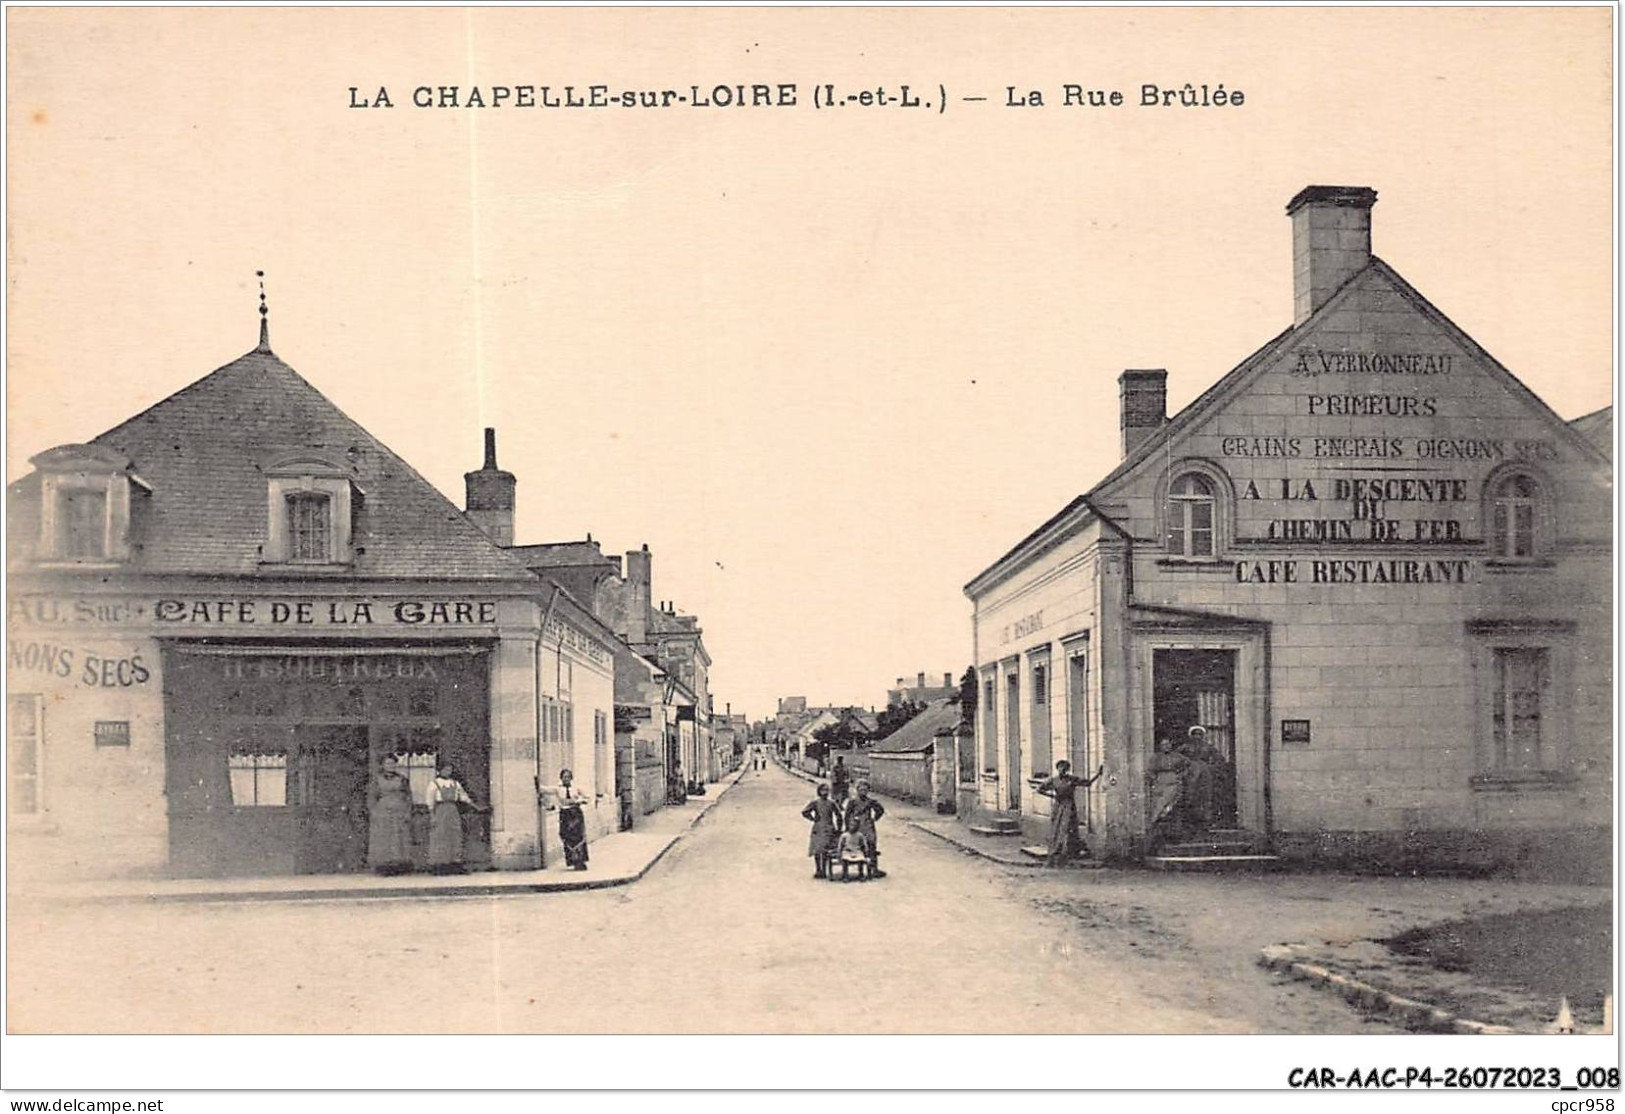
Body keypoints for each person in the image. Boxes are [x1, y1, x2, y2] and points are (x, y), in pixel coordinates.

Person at [1034, 759, 1106, 866]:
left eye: (1065, 767)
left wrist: (1098, 774)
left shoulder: (1072, 779)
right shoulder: (1053, 780)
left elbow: (1088, 783)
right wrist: (1053, 796)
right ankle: (1055, 852)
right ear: (1057, 768)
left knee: (1069, 828)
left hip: (1069, 806)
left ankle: (1070, 852)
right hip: (1058, 806)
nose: (1062, 769)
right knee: (1056, 829)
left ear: (1068, 769)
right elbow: (1039, 789)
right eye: (1060, 767)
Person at [425, 761, 482, 874]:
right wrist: (432, 815)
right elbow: (430, 800)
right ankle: (440, 865)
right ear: (439, 770)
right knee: (441, 837)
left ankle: (455, 863)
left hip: (453, 811)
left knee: (455, 836)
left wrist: (476, 806)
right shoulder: (434, 783)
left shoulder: (455, 783)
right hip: (440, 811)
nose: (448, 772)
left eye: (450, 770)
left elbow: (463, 796)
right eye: (445, 769)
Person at [367, 754, 414, 874]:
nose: (390, 766)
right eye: (388, 763)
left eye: (393, 763)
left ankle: (398, 866)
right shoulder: (376, 779)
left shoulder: (402, 779)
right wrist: (374, 812)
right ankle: (383, 867)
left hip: (399, 811)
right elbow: (372, 797)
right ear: (383, 765)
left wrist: (407, 812)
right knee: (383, 839)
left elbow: (408, 796)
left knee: (398, 838)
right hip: (382, 811)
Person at [543, 768, 591, 870]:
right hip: (565, 814)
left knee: (578, 836)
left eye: (568, 777)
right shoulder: (558, 789)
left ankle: (580, 861)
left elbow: (587, 797)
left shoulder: (576, 788)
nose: (566, 779)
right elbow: (544, 790)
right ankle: (572, 860)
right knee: (565, 835)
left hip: (576, 814)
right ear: (561, 778)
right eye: (564, 777)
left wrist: (579, 801)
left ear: (571, 778)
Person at [846, 780, 886, 878]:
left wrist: (875, 818)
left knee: (871, 845)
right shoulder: (852, 802)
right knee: (857, 846)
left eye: (865, 790)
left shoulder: (870, 801)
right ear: (857, 790)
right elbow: (847, 815)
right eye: (861, 790)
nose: (863, 792)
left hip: (868, 825)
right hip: (856, 826)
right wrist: (848, 826)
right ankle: (860, 869)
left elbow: (880, 810)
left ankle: (874, 869)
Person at [801, 783, 842, 879]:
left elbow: (839, 815)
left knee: (825, 850)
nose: (825, 792)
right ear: (819, 792)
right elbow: (805, 812)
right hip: (818, 828)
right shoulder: (815, 802)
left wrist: (839, 829)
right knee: (817, 850)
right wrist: (813, 819)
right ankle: (818, 870)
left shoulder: (832, 803)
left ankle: (824, 870)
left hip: (829, 828)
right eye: (823, 790)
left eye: (827, 790)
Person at [833, 812, 872, 881]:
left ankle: (861, 874)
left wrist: (866, 852)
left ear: (857, 826)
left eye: (854, 825)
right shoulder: (844, 835)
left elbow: (864, 844)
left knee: (861, 859)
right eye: (851, 825)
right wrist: (839, 853)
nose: (852, 827)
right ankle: (845, 875)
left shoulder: (860, 835)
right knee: (845, 860)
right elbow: (840, 845)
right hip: (847, 851)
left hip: (857, 851)